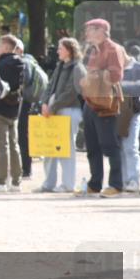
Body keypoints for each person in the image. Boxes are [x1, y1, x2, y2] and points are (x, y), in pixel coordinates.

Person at [79, 18, 127, 197]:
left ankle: (116, 184)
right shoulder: (94, 50)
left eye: (90, 29)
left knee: (109, 145)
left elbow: (116, 75)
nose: (86, 33)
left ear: (101, 30)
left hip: (106, 103)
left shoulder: (113, 48)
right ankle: (95, 183)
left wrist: (92, 77)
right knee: (91, 145)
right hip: (91, 101)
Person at [36, 37, 86, 193]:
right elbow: (50, 86)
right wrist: (44, 103)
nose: (57, 51)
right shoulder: (60, 66)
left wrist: (53, 106)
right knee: (50, 147)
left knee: (67, 148)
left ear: (69, 50)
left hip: (69, 110)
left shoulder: (77, 68)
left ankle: (67, 184)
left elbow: (72, 92)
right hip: (53, 110)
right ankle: (48, 183)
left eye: (60, 48)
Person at [0, 35, 25, 192]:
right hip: (15, 107)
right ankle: (16, 181)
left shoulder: (1, 65)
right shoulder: (21, 63)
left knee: (1, 146)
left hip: (0, 107)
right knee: (14, 144)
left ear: (7, 47)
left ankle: (1, 180)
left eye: (0, 45)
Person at [15, 39, 46, 178]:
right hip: (32, 102)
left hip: (24, 102)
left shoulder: (24, 63)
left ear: (19, 51)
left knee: (22, 135)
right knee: (25, 135)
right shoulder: (32, 62)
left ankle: (26, 169)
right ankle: (26, 168)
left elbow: (23, 81)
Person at [119, 45, 140, 194]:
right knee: (120, 146)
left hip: (133, 109)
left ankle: (133, 180)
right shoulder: (115, 69)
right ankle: (122, 180)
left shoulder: (139, 67)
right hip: (118, 110)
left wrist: (120, 90)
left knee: (130, 146)